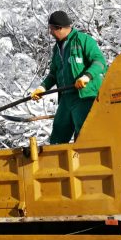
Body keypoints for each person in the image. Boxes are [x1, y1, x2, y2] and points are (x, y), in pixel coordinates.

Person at [30, 11, 107, 144]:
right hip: (66, 97)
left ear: (59, 28)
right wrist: (42, 87)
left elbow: (99, 62)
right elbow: (54, 73)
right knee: (58, 132)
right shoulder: (57, 48)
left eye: (51, 29)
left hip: (85, 96)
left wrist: (86, 77)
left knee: (84, 134)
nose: (50, 32)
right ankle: (56, 162)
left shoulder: (83, 40)